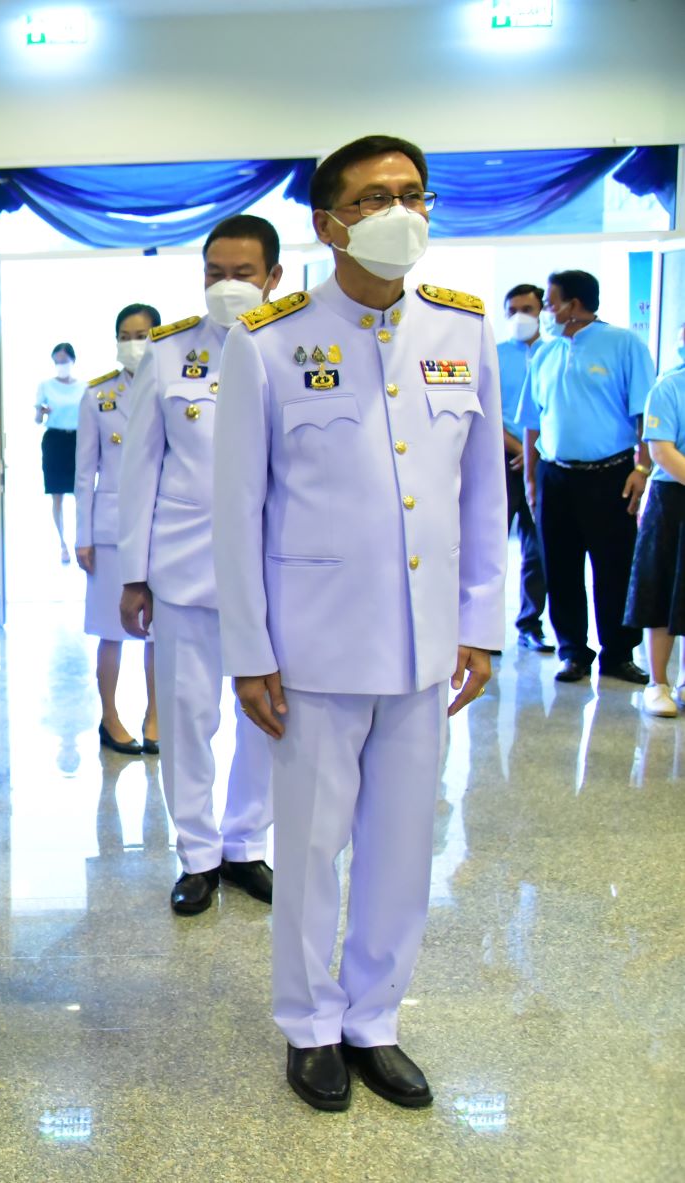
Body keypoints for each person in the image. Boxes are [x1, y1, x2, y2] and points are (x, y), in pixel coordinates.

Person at [215, 134, 505, 1112]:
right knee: (307, 849)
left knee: (401, 846)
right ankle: (309, 1025)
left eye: (413, 194)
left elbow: (481, 494)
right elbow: (237, 510)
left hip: (424, 649)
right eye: (375, 197)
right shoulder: (268, 339)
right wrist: (249, 650)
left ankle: (374, 1017)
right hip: (313, 649)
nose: (400, 212)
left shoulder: (462, 330)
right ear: (327, 223)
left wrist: (479, 624)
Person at [116, 214, 279, 917]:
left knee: (269, 712)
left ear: (273, 276)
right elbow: (139, 468)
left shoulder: (297, 346)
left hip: (275, 572)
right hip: (186, 567)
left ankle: (246, 843)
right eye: (216, 273)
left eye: (244, 273)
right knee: (187, 717)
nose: (227, 285)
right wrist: (134, 572)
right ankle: (198, 854)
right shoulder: (170, 350)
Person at [515, 268, 657, 684]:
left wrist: (642, 468)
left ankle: (618, 654)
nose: (545, 311)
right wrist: (531, 479)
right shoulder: (545, 353)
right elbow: (532, 421)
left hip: (610, 476)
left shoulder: (624, 344)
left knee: (614, 567)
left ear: (573, 305)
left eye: (550, 303)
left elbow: (645, 414)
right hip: (555, 477)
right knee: (560, 568)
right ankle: (573, 652)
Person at [74, 303, 160, 756]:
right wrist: (82, 537)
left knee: (157, 631)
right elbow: (83, 472)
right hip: (110, 532)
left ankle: (155, 715)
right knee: (112, 630)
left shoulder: (172, 386)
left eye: (141, 335)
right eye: (125, 336)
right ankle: (110, 716)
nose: (133, 344)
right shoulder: (98, 395)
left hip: (162, 528)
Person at [627, 362, 685, 715]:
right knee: (662, 589)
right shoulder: (669, 386)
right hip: (673, 498)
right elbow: (662, 450)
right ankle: (658, 683)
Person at [497, 284, 551, 652]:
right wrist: (519, 449)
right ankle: (481, 629)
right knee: (490, 545)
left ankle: (530, 624)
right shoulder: (494, 354)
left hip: (543, 460)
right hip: (500, 458)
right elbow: (481, 409)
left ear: (542, 310)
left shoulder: (554, 353)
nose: (520, 316)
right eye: (513, 310)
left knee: (538, 548)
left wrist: (533, 453)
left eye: (527, 309)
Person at [36, 343, 82, 564]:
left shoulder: (84, 387)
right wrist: (42, 411)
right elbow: (37, 419)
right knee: (57, 495)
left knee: (81, 494)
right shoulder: (45, 386)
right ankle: (63, 544)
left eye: (64, 361)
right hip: (54, 440)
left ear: (73, 360)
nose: (60, 365)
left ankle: (82, 541)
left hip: (78, 440)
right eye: (57, 362)